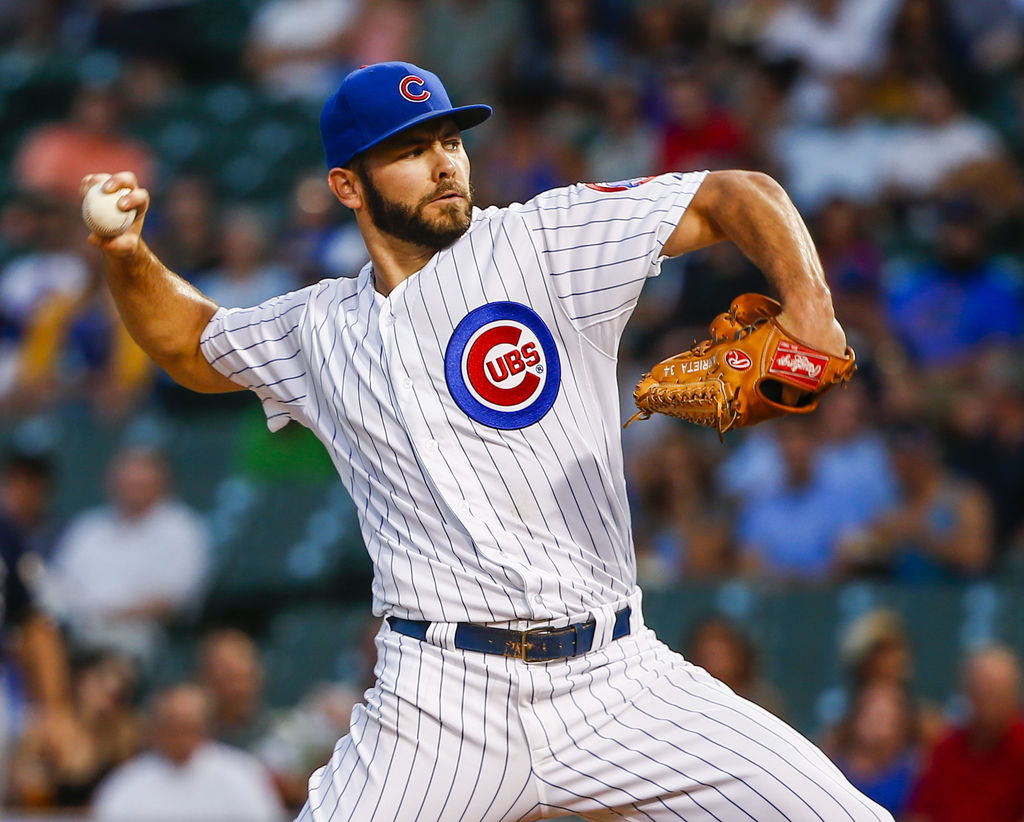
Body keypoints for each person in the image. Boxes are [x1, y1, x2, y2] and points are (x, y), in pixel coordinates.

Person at [80, 61, 890, 821]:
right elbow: (191, 344)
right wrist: (126, 254)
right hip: (437, 701)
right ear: (346, 185)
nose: (443, 165)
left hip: (616, 676)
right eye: (409, 151)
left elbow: (734, 193)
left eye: (450, 141)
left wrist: (810, 304)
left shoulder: (542, 242)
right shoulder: (315, 329)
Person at [44, 447, 210, 665]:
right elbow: (58, 583)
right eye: (126, 480)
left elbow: (174, 600)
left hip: (142, 635)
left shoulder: (182, 528)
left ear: (162, 482)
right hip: (75, 629)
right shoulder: (88, 526)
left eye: (140, 481)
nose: (131, 487)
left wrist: (107, 619)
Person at [91, 683, 284, 822]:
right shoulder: (126, 783)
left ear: (207, 728)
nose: (180, 737)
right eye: (171, 726)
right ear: (156, 729)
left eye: (188, 727)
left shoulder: (243, 774)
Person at [906, 645, 1024, 822]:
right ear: (966, 692)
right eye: (981, 689)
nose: (989, 700)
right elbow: (919, 813)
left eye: (997, 691)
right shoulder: (945, 748)